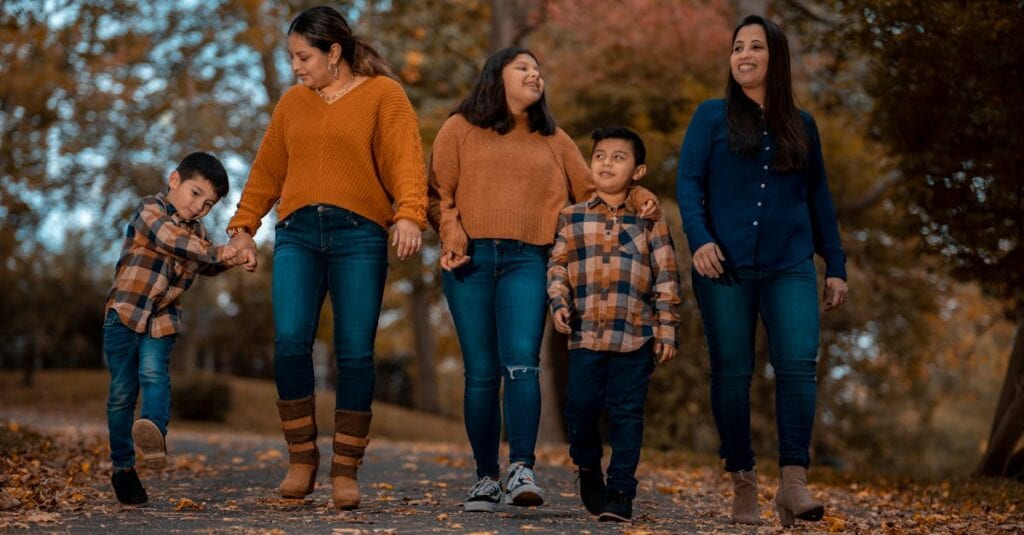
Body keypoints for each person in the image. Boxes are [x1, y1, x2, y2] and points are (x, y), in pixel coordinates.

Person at [428, 46, 660, 513]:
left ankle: (521, 469)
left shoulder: (555, 140)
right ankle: (485, 478)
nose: (536, 75)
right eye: (524, 68)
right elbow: (436, 194)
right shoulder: (458, 129)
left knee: (521, 363)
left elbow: (598, 188)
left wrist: (636, 191)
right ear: (498, 75)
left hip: (529, 261)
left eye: (538, 69)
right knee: (479, 375)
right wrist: (451, 231)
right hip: (469, 262)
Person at [225, 5, 426, 510]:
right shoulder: (293, 102)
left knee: (355, 351)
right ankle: (300, 458)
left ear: (334, 53)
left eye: (304, 56)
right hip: (296, 234)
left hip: (360, 234)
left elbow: (406, 158)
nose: (296, 65)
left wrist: (409, 214)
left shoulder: (384, 95)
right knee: (291, 342)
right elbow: (267, 169)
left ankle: (345, 469)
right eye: (291, 57)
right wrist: (243, 227)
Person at [675, 15, 849, 527]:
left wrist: (834, 264)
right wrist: (700, 239)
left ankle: (794, 483)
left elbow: (819, 197)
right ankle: (744, 483)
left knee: (797, 366)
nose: (744, 54)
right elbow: (688, 184)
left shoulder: (804, 124)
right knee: (731, 375)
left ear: (776, 57)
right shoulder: (709, 117)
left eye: (755, 46)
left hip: (790, 264)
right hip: (722, 266)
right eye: (736, 47)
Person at [548, 127, 681, 522]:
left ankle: (621, 489)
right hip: (585, 333)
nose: (607, 163)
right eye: (600, 156)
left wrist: (667, 328)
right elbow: (557, 264)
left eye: (618, 157)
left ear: (638, 171)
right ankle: (588, 467)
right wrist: (559, 301)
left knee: (627, 413)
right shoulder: (571, 217)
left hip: (635, 335)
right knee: (581, 410)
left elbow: (667, 277)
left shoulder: (650, 221)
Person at [104, 152, 239, 505]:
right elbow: (171, 240)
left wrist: (235, 256)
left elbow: (207, 264)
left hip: (162, 318)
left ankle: (153, 433)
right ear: (174, 180)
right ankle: (123, 468)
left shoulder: (200, 234)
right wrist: (221, 252)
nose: (199, 208)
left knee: (154, 374)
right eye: (196, 194)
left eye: (209, 204)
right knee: (121, 393)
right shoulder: (151, 210)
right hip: (125, 313)